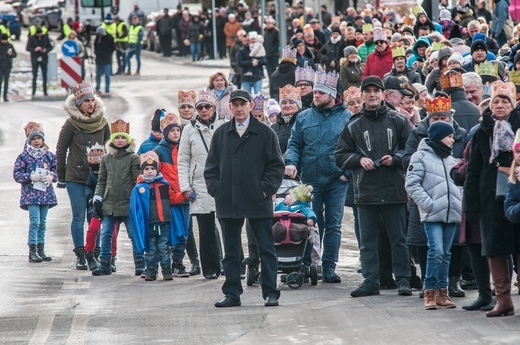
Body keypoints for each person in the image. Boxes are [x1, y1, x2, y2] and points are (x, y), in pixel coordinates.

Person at [204, 89, 284, 308]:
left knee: (266, 248)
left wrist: (264, 189)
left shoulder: (265, 133)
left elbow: (276, 166)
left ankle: (270, 292)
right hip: (228, 200)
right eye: (235, 105)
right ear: (230, 107)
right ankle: (232, 293)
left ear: (251, 105)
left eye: (243, 104)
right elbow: (211, 168)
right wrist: (217, 189)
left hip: (258, 199)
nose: (239, 109)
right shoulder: (221, 134)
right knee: (231, 251)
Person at [335, 76, 412, 297]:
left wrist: (395, 158)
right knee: (368, 242)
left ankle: (404, 280)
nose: (371, 95)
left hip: (394, 190)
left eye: (375, 91)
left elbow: (409, 150)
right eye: (367, 91)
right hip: (365, 192)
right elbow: (340, 155)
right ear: (361, 95)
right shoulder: (353, 123)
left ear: (383, 94)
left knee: (399, 239)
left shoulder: (398, 121)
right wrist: (358, 160)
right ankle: (371, 281)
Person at [285, 70, 351, 283]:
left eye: (321, 93)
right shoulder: (303, 117)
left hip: (336, 181)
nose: (316, 96)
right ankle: (304, 265)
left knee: (333, 224)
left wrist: (346, 173)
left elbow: (354, 147)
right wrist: (292, 162)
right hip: (309, 181)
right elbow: (294, 143)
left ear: (332, 95)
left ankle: (329, 266)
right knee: (305, 222)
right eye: (315, 92)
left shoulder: (347, 117)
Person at [464, 81, 520, 317]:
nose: (499, 105)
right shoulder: (482, 132)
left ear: (513, 104)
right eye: (496, 101)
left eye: (505, 101)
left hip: (516, 192)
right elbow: (473, 170)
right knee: (495, 249)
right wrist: (471, 204)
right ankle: (503, 300)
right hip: (489, 198)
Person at [406, 120, 462, 310]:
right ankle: (429, 291)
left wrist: (458, 202)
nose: (452, 141)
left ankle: (441, 292)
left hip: (451, 213)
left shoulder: (451, 159)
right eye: (449, 136)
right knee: (436, 251)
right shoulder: (420, 157)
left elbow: (458, 184)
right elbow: (412, 184)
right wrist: (428, 204)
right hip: (432, 214)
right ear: (438, 136)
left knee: (446, 253)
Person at [56, 81, 110, 269]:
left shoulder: (103, 122)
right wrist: (61, 176)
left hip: (97, 177)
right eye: (86, 101)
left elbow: (109, 148)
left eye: (92, 100)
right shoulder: (71, 124)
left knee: (95, 217)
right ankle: (81, 255)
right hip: (76, 178)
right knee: (79, 217)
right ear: (78, 104)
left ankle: (95, 252)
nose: (90, 104)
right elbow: (61, 150)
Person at [179, 90, 225, 280]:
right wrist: (185, 187)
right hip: (199, 184)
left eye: (207, 107)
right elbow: (183, 160)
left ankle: (232, 265)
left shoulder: (224, 125)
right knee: (205, 229)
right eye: (200, 107)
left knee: (229, 226)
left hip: (224, 182)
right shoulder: (189, 130)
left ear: (214, 108)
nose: (204, 110)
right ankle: (210, 268)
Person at [91, 120, 143, 276]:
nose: (120, 140)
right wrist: (98, 198)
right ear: (112, 140)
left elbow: (137, 180)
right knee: (106, 234)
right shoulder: (106, 159)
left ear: (128, 139)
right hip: (109, 203)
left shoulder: (133, 158)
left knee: (134, 234)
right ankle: (105, 263)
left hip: (127, 203)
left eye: (123, 137)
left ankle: (140, 264)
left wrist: (137, 200)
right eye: (117, 137)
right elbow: (102, 180)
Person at [130, 151, 186, 281]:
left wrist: (185, 195)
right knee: (150, 250)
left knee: (164, 248)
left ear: (157, 170)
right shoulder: (139, 188)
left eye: (153, 169)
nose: (150, 171)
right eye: (147, 169)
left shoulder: (164, 185)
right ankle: (151, 271)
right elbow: (136, 209)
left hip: (163, 223)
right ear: (142, 171)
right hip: (149, 224)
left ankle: (167, 271)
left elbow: (174, 199)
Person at [13, 122, 57, 263]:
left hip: (45, 195)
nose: (36, 141)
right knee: (35, 222)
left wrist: (51, 177)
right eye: (33, 139)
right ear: (28, 140)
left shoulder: (49, 156)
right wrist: (30, 177)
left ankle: (41, 249)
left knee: (43, 222)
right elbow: (17, 174)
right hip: (31, 195)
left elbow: (57, 172)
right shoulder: (24, 156)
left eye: (39, 138)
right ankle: (32, 250)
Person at [154, 113, 190, 278]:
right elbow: (157, 177)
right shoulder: (158, 151)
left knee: (184, 232)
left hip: (185, 198)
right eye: (172, 130)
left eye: (178, 130)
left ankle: (178, 262)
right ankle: (166, 264)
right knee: (169, 234)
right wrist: (173, 195)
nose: (176, 133)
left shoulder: (184, 147)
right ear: (165, 132)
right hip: (168, 200)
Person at [26, 27, 53, 97]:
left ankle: (45, 91)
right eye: (38, 34)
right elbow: (28, 48)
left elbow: (50, 47)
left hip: (43, 58)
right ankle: (33, 91)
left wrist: (45, 50)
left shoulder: (45, 38)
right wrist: (35, 49)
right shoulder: (32, 38)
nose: (39, 35)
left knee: (44, 75)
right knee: (34, 75)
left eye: (40, 34)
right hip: (35, 59)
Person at [93, 27, 115, 95]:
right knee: (98, 75)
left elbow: (112, 48)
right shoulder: (97, 38)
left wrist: (107, 53)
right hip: (99, 59)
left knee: (107, 75)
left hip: (106, 59)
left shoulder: (110, 37)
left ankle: (107, 89)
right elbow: (95, 46)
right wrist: (96, 53)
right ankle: (97, 88)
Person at [0, 33, 16, 102]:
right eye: (3, 40)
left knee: (6, 81)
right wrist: (3, 56)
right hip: (0, 66)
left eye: (5, 40)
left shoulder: (10, 45)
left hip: (8, 66)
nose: (4, 41)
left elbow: (15, 54)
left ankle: (5, 96)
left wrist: (11, 54)